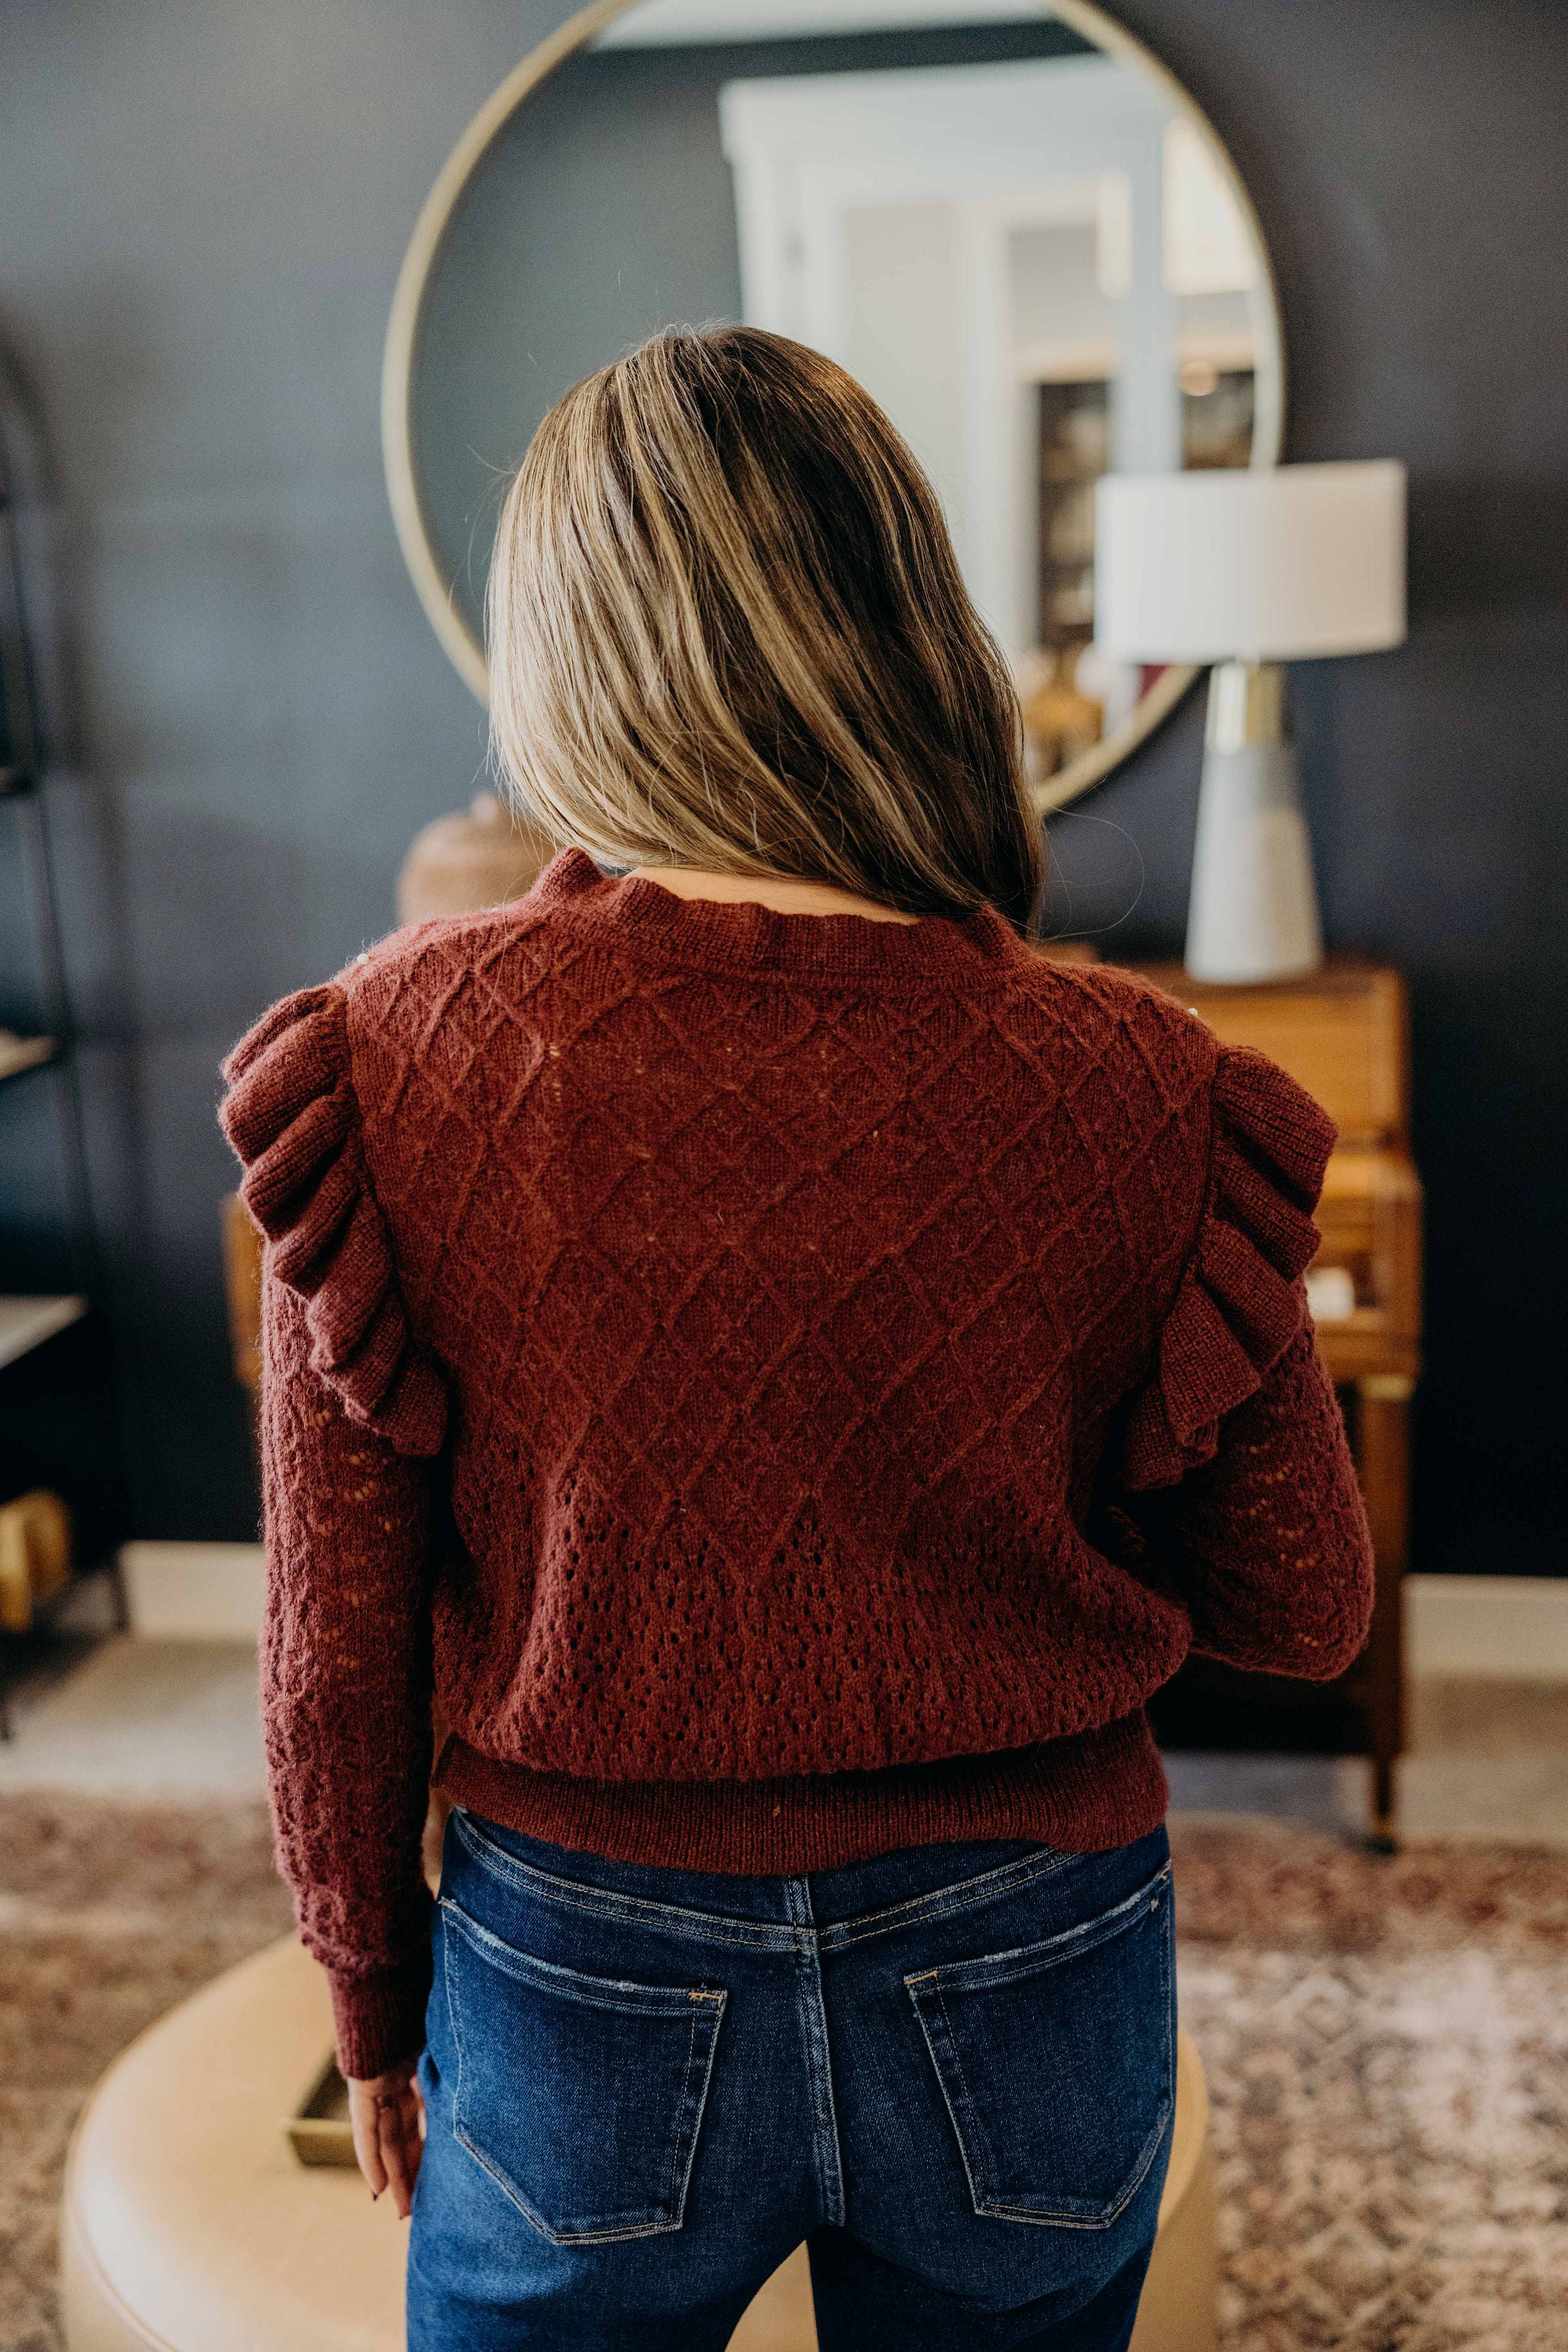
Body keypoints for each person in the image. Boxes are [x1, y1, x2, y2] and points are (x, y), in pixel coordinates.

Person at [220, 325, 1374, 2352]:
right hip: (1036, 1948)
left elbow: (334, 1659)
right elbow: (1301, 1606)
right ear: (914, 626)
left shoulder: (387, 1058)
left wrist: (371, 2000)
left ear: (564, 648)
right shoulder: (1137, 1078)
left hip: (582, 1966)